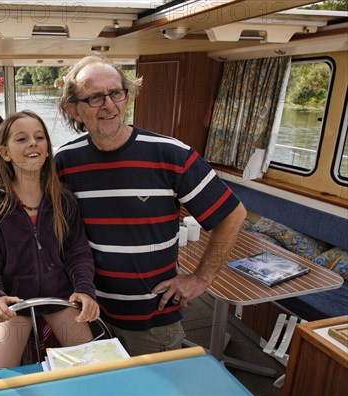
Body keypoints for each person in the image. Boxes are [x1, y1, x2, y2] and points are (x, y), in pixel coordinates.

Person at [55, 53, 247, 356]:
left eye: (116, 93)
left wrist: (201, 278)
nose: (109, 105)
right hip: (88, 315)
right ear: (74, 110)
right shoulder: (64, 161)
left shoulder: (171, 154)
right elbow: (34, 211)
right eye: (94, 97)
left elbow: (232, 214)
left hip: (152, 320)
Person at [0, 110, 100, 368]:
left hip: (59, 299)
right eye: (21, 139)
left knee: (90, 367)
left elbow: (78, 252)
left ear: (48, 150)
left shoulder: (65, 201)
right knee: (2, 376)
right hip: (14, 305)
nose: (32, 143)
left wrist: (84, 289)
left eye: (39, 137)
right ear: (5, 153)